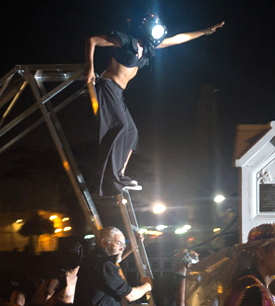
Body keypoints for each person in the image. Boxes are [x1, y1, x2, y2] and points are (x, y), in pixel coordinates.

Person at [85, 16, 224, 196]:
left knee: (132, 132)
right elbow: (92, 40)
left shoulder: (150, 47)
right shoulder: (126, 40)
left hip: (119, 92)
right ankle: (112, 178)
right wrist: (90, 67)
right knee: (120, 126)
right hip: (107, 85)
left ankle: (119, 175)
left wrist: (204, 32)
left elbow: (178, 39)